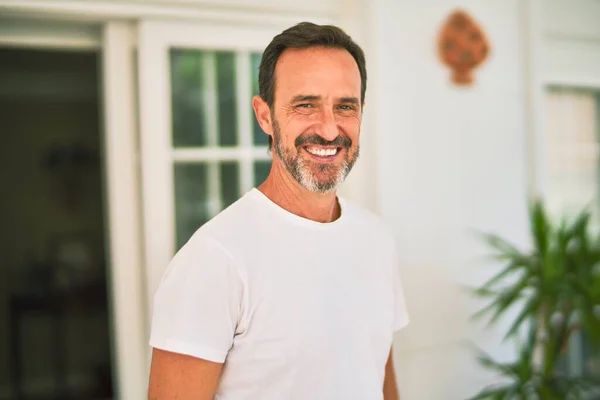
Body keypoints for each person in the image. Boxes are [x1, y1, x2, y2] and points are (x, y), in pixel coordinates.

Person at [147, 21, 409, 400]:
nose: (330, 129)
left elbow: (378, 378)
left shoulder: (377, 239)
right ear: (265, 116)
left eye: (345, 106)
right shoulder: (214, 259)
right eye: (306, 105)